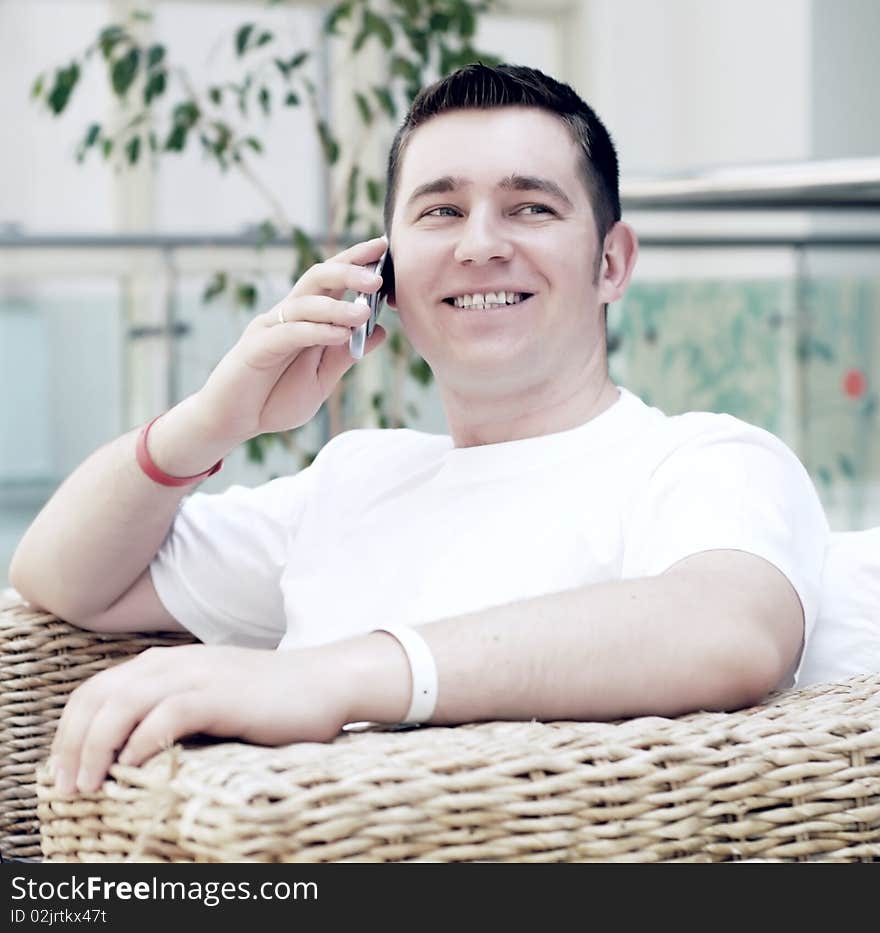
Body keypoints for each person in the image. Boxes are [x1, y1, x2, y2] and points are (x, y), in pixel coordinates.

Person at [9, 63, 829, 798]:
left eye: (530, 206)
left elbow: (731, 627)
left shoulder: (703, 458)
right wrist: (214, 418)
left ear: (611, 262)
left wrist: (338, 676)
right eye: (441, 210)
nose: (480, 244)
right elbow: (62, 576)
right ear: (387, 277)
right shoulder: (353, 476)